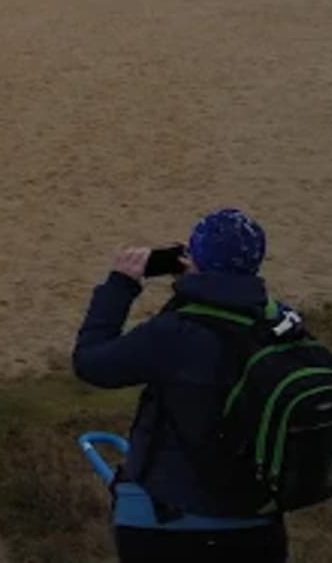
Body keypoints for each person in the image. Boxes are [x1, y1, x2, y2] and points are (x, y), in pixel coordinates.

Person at [72, 208, 289, 562]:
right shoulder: (281, 323)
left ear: (196, 258)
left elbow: (91, 363)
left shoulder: (175, 332)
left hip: (169, 521)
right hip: (256, 520)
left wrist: (120, 286)